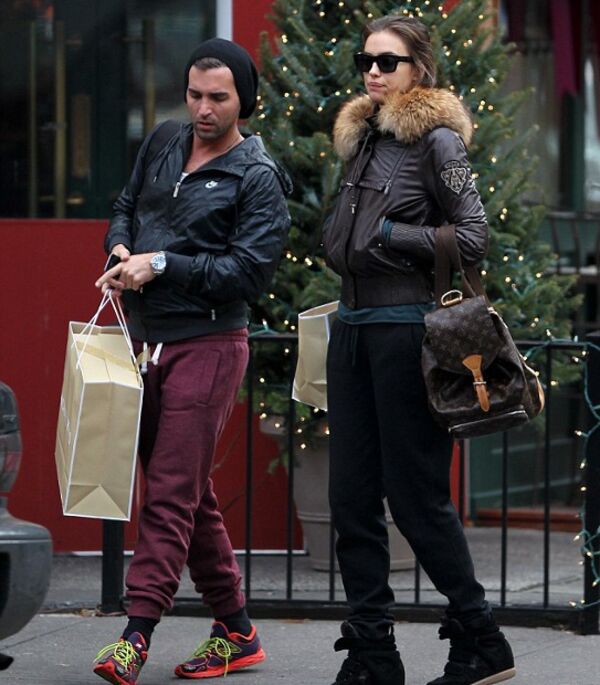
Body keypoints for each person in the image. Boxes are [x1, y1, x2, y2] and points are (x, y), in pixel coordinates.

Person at [322, 15, 515, 685]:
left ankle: (481, 639)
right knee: (350, 498)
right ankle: (373, 651)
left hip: (406, 331)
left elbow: (474, 236)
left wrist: (391, 235)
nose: (373, 71)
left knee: (415, 496)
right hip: (351, 328)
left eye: (388, 61)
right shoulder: (365, 140)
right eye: (365, 60)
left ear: (419, 70)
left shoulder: (438, 141)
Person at [93, 38, 291, 684]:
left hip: (209, 344)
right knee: (188, 489)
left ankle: (135, 633)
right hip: (146, 340)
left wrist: (162, 263)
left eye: (219, 98)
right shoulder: (163, 142)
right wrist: (121, 248)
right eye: (195, 95)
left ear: (244, 102)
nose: (204, 109)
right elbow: (126, 206)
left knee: (169, 492)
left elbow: (248, 273)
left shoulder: (257, 177)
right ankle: (236, 628)